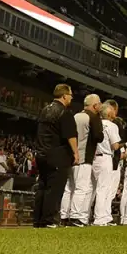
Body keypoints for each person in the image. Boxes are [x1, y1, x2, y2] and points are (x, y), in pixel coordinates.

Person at [32, 84, 78, 228]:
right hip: (57, 155)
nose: (71, 98)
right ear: (64, 95)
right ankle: (49, 220)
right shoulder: (64, 112)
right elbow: (70, 135)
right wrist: (76, 153)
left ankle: (38, 220)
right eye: (70, 95)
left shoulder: (45, 110)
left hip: (41, 153)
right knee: (55, 189)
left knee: (42, 187)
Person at [60, 93, 104, 227]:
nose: (100, 106)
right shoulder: (93, 117)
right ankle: (76, 217)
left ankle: (64, 216)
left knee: (69, 188)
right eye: (99, 103)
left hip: (70, 156)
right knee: (82, 188)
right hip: (84, 157)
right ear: (95, 105)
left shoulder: (75, 115)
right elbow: (98, 136)